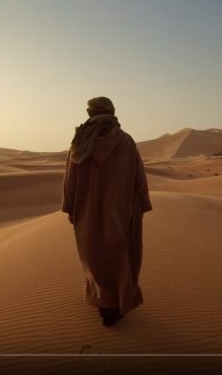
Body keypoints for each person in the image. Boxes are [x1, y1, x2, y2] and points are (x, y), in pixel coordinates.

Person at [62, 96, 152, 327]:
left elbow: (70, 179)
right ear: (112, 112)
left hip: (87, 210)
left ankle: (105, 304)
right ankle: (117, 304)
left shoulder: (80, 143)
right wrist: (142, 202)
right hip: (122, 211)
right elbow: (139, 176)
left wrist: (70, 207)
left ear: (90, 113)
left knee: (94, 257)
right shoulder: (126, 142)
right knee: (122, 256)